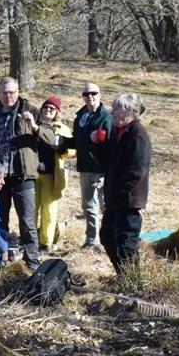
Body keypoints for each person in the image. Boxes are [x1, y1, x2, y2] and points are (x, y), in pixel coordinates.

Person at [0, 77, 42, 268]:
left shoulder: (31, 111)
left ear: (18, 91)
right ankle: (1, 257)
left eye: (12, 92)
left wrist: (33, 126)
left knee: (27, 221)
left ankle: (32, 261)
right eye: (5, 92)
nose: (9, 96)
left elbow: (47, 136)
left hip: (22, 174)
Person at [99, 93, 151, 275]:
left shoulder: (138, 135)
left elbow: (136, 171)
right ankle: (124, 276)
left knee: (126, 245)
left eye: (115, 108)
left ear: (128, 111)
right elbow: (108, 161)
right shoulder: (118, 132)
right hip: (114, 199)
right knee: (107, 236)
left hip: (128, 201)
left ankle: (132, 283)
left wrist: (118, 191)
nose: (111, 112)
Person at [64, 82, 113, 248]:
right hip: (85, 168)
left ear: (100, 94)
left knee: (107, 205)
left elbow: (113, 145)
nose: (90, 97)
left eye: (93, 93)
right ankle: (92, 240)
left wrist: (107, 172)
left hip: (102, 169)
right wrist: (60, 142)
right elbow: (76, 141)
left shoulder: (106, 117)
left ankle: (111, 238)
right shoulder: (80, 117)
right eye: (86, 94)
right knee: (88, 205)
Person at [34, 96, 75, 252]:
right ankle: (31, 240)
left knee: (49, 210)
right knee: (31, 209)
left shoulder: (61, 128)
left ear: (57, 111)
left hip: (52, 174)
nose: (48, 110)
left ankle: (46, 242)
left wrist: (61, 149)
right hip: (33, 174)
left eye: (52, 108)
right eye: (45, 107)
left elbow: (72, 151)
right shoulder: (34, 125)